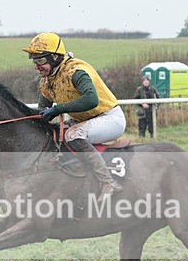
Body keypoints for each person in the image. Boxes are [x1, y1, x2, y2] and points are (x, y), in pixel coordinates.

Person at [22, 32, 125, 194]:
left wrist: (57, 109)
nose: (37, 66)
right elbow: (42, 112)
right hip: (85, 121)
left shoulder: (76, 71)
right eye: (34, 61)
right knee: (56, 134)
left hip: (110, 118)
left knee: (72, 136)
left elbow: (91, 100)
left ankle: (108, 182)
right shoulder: (46, 81)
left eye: (40, 60)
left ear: (55, 57)